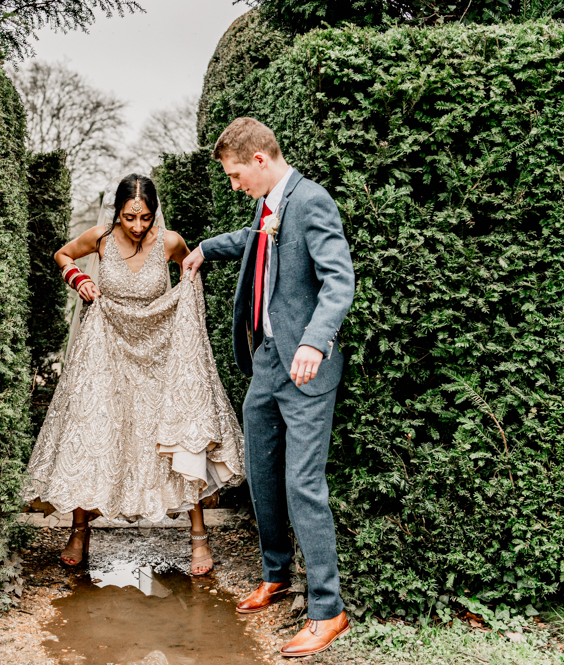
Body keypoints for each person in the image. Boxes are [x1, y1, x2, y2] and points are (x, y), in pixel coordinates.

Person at [182, 117, 355, 658]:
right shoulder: (268, 204)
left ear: (260, 160)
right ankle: (276, 572)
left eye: (236, 175)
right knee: (260, 469)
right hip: (268, 364)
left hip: (305, 366)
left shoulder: (312, 201)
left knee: (303, 484)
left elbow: (339, 278)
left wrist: (314, 341)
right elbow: (255, 242)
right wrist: (207, 248)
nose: (235, 185)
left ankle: (328, 611)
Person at [22, 173, 244, 576]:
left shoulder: (171, 241)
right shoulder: (100, 238)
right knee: (93, 431)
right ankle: (79, 530)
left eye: (145, 218)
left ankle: (198, 537)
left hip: (157, 352)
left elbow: (189, 273)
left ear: (154, 213)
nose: (138, 227)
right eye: (129, 218)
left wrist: (183, 307)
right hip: (104, 347)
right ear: (118, 214)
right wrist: (81, 279)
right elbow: (62, 255)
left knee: (174, 433)